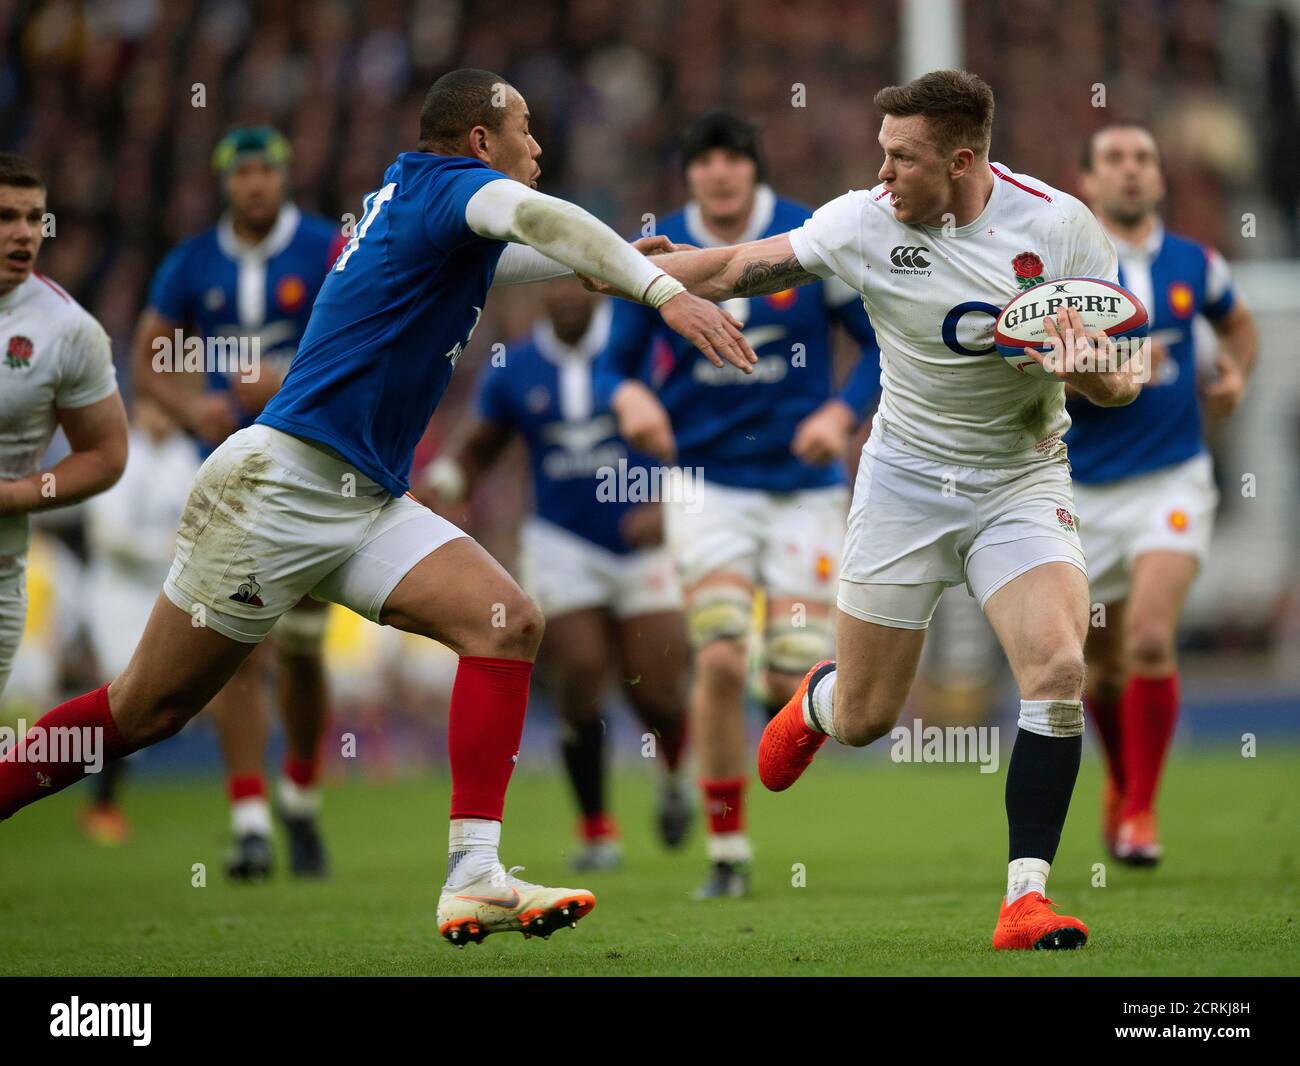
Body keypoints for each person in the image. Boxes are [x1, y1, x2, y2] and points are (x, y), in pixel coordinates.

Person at [0, 69, 755, 948]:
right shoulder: (453, 190)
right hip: (277, 488)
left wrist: (761, 259)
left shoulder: (429, 203)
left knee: (505, 621)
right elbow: (545, 225)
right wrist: (661, 293)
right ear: (481, 142)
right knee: (146, 713)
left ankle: (474, 872)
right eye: (526, 129)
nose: (539, 147)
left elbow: (566, 253)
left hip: (360, 497)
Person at [611, 70, 1144, 949]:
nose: (882, 174)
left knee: (1055, 668)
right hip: (902, 483)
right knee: (866, 717)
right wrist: (638, 275)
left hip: (1019, 479)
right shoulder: (864, 219)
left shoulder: (1058, 227)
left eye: (902, 159)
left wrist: (1081, 367)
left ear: (963, 160)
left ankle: (1025, 899)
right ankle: (819, 704)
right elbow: (748, 264)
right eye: (882, 155)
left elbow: (1125, 379)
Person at [594, 111, 881, 898]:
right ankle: (727, 852)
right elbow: (608, 365)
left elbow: (880, 342)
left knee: (792, 671)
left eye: (732, 159)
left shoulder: (805, 237)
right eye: (704, 160)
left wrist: (840, 414)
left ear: (753, 169)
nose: (719, 173)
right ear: (689, 175)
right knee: (718, 654)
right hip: (706, 484)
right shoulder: (656, 253)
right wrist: (629, 401)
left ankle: (769, 716)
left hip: (801, 489)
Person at [132, 126, 341, 879]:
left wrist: (284, 383)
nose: (255, 184)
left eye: (267, 170)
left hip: (316, 467)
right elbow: (150, 352)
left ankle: (304, 797)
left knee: (307, 653)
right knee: (237, 650)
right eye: (242, 171)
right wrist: (192, 410)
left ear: (286, 177)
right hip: (229, 478)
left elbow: (363, 330)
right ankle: (251, 822)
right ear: (226, 181)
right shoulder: (192, 262)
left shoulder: (324, 248)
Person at [426, 279, 691, 871]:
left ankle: (674, 777)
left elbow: (697, 431)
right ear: (536, 294)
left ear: (596, 286)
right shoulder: (517, 367)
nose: (567, 295)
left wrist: (669, 502)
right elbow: (481, 447)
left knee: (660, 687)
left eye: (577, 280)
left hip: (645, 545)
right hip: (560, 543)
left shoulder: (638, 351)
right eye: (554, 283)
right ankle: (597, 830)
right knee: (580, 672)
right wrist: (447, 481)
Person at [1071, 123, 1258, 866]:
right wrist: (1102, 365)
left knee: (1150, 638)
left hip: (1171, 478)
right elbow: (1024, 364)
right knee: (1099, 667)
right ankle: (1123, 778)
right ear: (1086, 181)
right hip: (1079, 489)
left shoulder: (1196, 264)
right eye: (1112, 157)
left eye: (1143, 157)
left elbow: (1238, 326)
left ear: (1159, 176)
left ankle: (1142, 812)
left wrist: (1237, 372)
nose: (1130, 170)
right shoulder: (1062, 273)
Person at [0, 152, 127, 698]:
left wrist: (21, 494)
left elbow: (106, 454)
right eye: (6, 217)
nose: (24, 232)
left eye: (34, 217)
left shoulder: (69, 331)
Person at [80, 396, 199, 844]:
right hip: (114, 597)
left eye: (168, 407)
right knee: (121, 696)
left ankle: (106, 802)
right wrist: (160, 548)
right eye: (154, 406)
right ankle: (102, 805)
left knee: (155, 700)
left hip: (162, 594)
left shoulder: (186, 457)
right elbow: (105, 535)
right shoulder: (120, 455)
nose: (162, 415)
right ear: (137, 408)